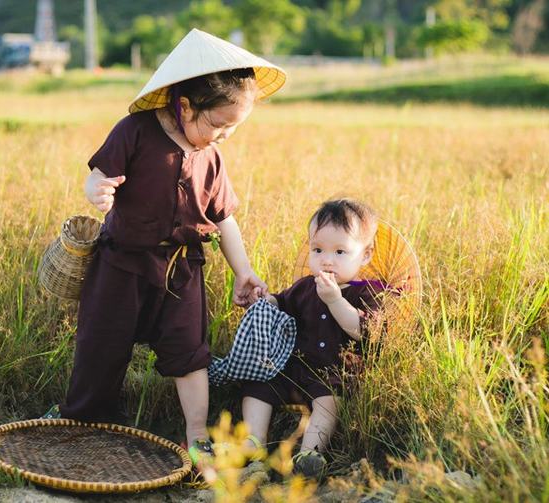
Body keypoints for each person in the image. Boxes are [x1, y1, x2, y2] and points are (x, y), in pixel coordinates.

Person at [43, 29, 286, 468]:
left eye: (234, 128)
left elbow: (224, 217)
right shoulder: (135, 131)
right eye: (218, 124)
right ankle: (83, 420)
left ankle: (197, 435)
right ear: (186, 105)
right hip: (121, 264)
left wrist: (243, 270)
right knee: (101, 343)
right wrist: (97, 190)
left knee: (190, 351)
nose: (224, 135)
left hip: (182, 269)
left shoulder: (212, 158)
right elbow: (98, 174)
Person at [241, 198, 385, 479]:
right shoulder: (306, 286)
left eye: (340, 251)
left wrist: (335, 301)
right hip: (294, 369)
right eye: (318, 249)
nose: (327, 259)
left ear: (365, 255)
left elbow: (364, 331)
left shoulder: (369, 292)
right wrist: (263, 300)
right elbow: (282, 304)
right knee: (258, 383)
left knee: (329, 401)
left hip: (332, 375)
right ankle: (253, 443)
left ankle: (309, 454)